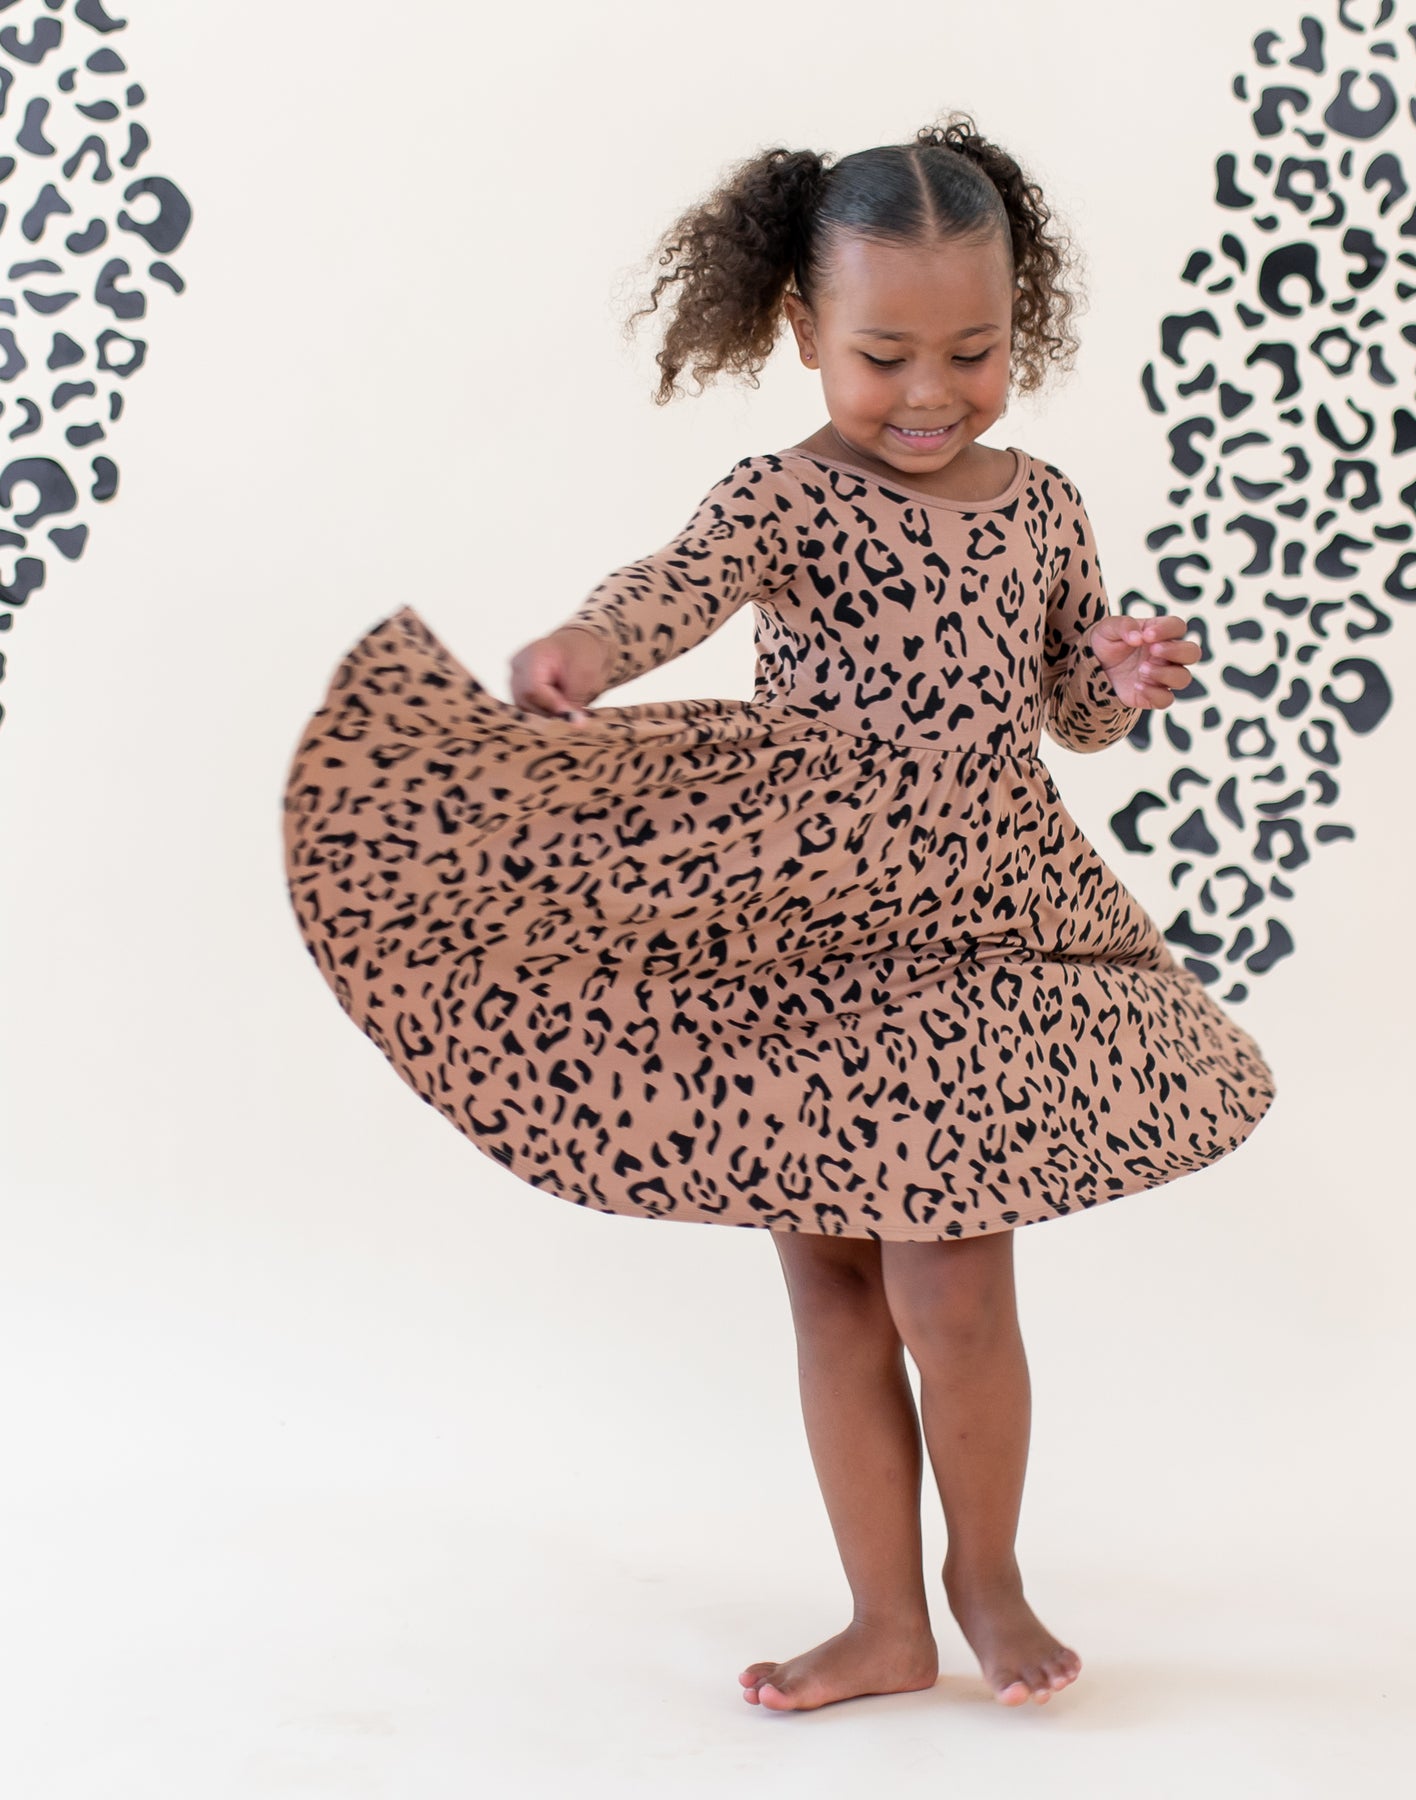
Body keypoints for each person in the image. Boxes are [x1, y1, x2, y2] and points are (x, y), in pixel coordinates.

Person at [281, 112, 1277, 1715]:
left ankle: (988, 1573)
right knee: (831, 1280)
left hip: (982, 919)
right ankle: (884, 1617)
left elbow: (1060, 695)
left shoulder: (1038, 505)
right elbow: (673, 586)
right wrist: (592, 654)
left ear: (1023, 332)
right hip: (799, 922)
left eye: (975, 349)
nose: (932, 392)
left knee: (953, 1282)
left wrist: (1114, 679)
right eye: (884, 354)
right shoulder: (783, 500)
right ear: (803, 331)